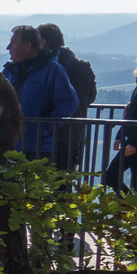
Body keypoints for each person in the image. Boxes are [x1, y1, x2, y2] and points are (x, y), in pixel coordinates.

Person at [0, 25, 80, 163]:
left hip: (37, 147)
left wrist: (44, 129)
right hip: (8, 144)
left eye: (13, 43)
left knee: (32, 183)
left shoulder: (52, 70)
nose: (8, 47)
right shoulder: (10, 71)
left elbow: (69, 102)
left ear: (27, 46)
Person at [37, 23, 98, 169]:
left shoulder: (42, 66)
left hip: (43, 134)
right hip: (73, 134)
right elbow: (91, 96)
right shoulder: (83, 66)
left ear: (43, 43)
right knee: (64, 181)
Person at [105, 47, 137, 191]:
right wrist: (120, 136)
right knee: (136, 182)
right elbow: (133, 112)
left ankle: (129, 208)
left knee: (114, 176)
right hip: (134, 138)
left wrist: (133, 141)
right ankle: (130, 208)